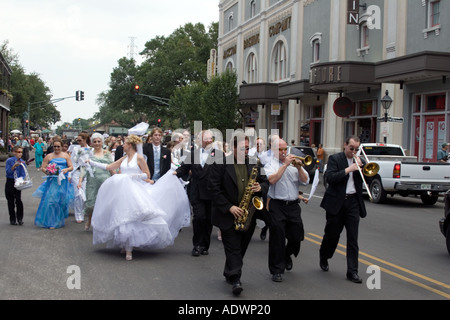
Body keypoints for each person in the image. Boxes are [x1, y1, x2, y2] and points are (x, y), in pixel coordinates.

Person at [89, 135, 190, 261]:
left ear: (130, 145)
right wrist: (91, 162)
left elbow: (147, 174)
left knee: (133, 217)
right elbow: (110, 167)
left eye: (125, 144)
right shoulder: (124, 158)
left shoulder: (139, 158)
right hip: (122, 191)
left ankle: (129, 247)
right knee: (122, 216)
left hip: (134, 189)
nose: (123, 146)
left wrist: (135, 176)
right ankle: (125, 244)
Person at [208, 134, 268, 295]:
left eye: (248, 148)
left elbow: (266, 181)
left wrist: (260, 187)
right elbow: (213, 188)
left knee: (241, 247)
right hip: (228, 214)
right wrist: (229, 207)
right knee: (233, 247)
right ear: (232, 148)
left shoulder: (255, 162)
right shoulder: (220, 163)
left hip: (248, 213)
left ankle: (230, 271)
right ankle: (236, 279)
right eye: (243, 148)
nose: (246, 151)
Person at [319, 135, 368, 283]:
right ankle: (324, 255)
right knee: (332, 235)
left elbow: (369, 179)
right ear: (345, 145)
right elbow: (330, 178)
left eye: (356, 149)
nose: (354, 151)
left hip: (353, 202)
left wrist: (364, 168)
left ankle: (352, 272)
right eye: (351, 148)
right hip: (336, 202)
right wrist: (348, 170)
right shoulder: (335, 159)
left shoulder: (360, 161)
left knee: (353, 238)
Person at [264, 138, 309, 282]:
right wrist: (284, 165)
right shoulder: (270, 164)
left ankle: (286, 254)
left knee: (297, 236)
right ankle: (276, 270)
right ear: (273, 150)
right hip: (277, 204)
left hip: (293, 205)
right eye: (280, 150)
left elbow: (305, 181)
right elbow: (272, 180)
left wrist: (299, 168)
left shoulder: (294, 163)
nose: (284, 152)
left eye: (285, 149)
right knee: (277, 237)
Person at [174, 129, 215, 256]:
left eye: (210, 139)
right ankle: (197, 245)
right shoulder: (192, 154)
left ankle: (205, 245)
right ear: (199, 140)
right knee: (199, 217)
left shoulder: (218, 155)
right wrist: (174, 174)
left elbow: (224, 172)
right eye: (206, 138)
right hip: (196, 191)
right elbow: (184, 169)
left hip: (211, 192)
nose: (208, 141)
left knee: (208, 219)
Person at [33, 137, 74, 229]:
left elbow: (71, 167)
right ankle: (52, 221)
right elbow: (43, 167)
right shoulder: (49, 156)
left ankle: (59, 218)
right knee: (51, 200)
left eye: (58, 146)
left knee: (61, 201)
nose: (56, 148)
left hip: (63, 181)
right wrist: (48, 171)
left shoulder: (66, 155)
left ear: (61, 146)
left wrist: (66, 169)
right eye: (55, 146)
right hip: (53, 181)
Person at [79, 133, 114, 231]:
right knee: (90, 203)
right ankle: (89, 220)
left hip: (104, 180)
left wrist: (116, 178)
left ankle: (102, 223)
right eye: (95, 142)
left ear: (102, 142)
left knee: (104, 202)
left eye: (99, 141)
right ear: (92, 143)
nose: (97, 143)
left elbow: (111, 167)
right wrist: (80, 180)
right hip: (92, 180)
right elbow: (84, 168)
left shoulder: (107, 153)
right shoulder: (88, 153)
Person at [69, 132, 90, 223]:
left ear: (85, 140)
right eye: (78, 140)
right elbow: (72, 161)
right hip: (76, 172)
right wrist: (70, 174)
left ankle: (83, 211)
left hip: (86, 173)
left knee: (84, 194)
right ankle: (78, 215)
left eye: (80, 140)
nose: (79, 142)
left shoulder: (91, 149)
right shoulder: (75, 149)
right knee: (78, 194)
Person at [5, 146, 26, 225]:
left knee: (18, 200)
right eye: (18, 152)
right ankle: (12, 219)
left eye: (21, 152)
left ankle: (20, 218)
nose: (20, 154)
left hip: (18, 181)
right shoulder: (9, 161)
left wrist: (22, 180)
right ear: (14, 152)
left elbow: (23, 173)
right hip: (10, 181)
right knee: (10, 201)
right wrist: (13, 166)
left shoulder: (22, 162)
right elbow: (8, 172)